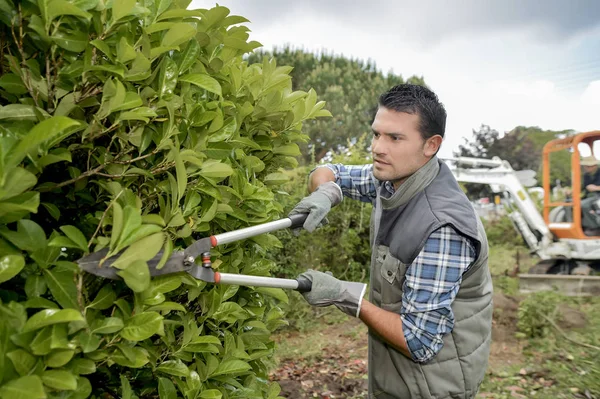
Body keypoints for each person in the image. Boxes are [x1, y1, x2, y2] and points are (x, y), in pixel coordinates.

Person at [289, 84, 493, 399]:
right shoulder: (394, 180)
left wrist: (345, 295)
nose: (378, 148)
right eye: (376, 134)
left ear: (431, 145)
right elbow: (331, 172)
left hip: (431, 388)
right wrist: (325, 192)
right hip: (398, 382)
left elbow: (419, 341)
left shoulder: (442, 228)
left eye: (395, 138)